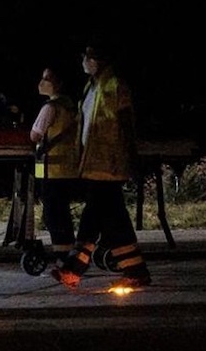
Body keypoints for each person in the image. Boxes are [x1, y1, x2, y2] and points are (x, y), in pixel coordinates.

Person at [53, 44, 152, 290]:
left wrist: (132, 158)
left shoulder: (116, 86)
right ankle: (136, 270)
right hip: (92, 163)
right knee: (114, 216)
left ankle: (74, 266)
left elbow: (127, 126)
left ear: (100, 59)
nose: (84, 60)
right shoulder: (90, 88)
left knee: (94, 213)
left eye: (88, 56)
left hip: (110, 163)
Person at [29, 67, 80, 265]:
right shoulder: (71, 106)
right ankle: (68, 250)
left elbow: (35, 135)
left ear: (56, 83)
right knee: (62, 212)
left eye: (46, 79)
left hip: (52, 169)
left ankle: (63, 254)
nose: (41, 83)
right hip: (67, 168)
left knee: (53, 213)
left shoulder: (50, 107)